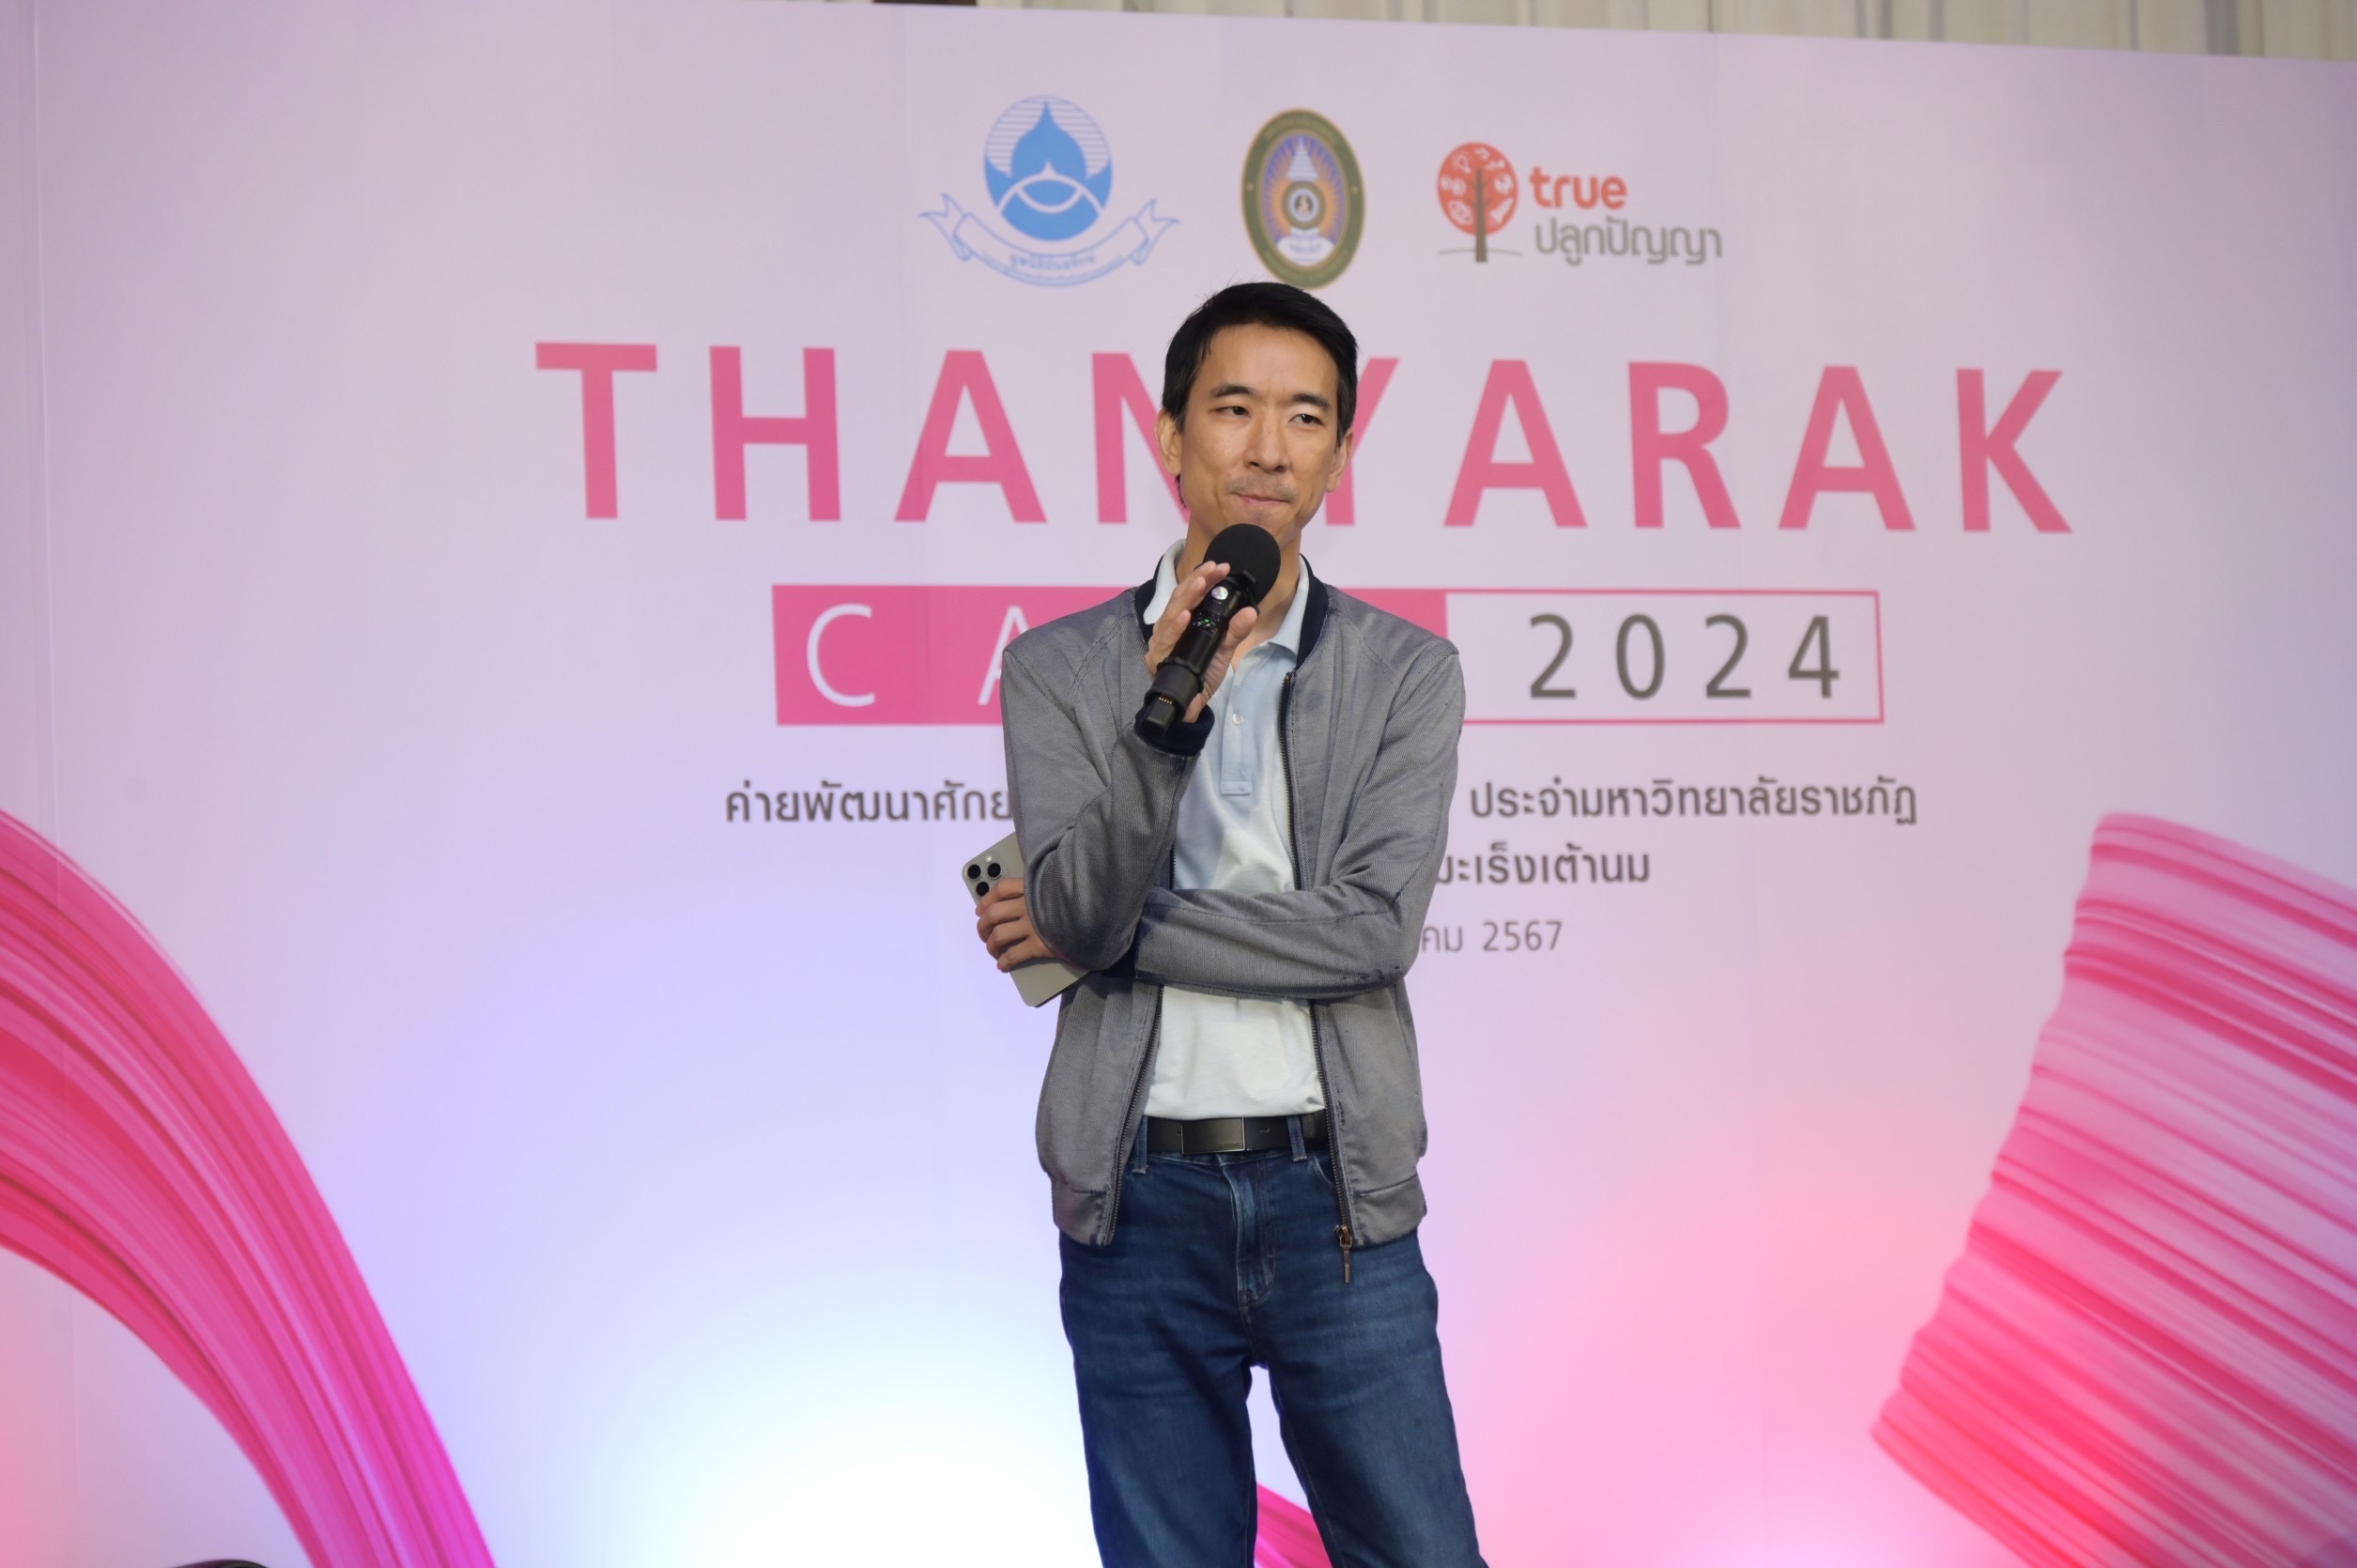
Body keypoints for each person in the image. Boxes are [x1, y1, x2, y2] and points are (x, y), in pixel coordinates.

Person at [973, 282, 1485, 1568]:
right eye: (1234, 408)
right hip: (1136, 1205)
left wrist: (1102, 934)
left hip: (1338, 1203)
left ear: (1340, 454)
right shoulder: (1058, 668)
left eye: (1305, 417)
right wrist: (1166, 712)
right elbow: (1079, 903)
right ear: (1169, 435)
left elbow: (1369, 933)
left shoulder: (1405, 672)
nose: (1268, 446)